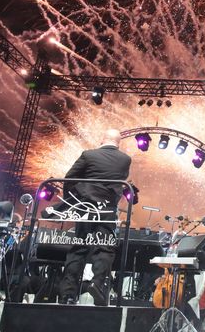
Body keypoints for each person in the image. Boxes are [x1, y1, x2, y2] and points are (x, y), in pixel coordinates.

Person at [58, 129, 132, 306]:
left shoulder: (88, 155)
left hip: (85, 207)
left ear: (102, 139)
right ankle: (97, 284)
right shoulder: (125, 159)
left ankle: (68, 295)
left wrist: (72, 200)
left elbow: (69, 178)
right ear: (118, 142)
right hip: (107, 210)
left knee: (79, 248)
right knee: (105, 248)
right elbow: (119, 180)